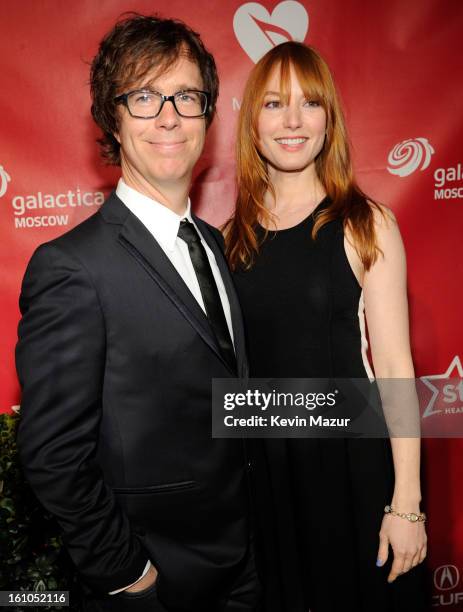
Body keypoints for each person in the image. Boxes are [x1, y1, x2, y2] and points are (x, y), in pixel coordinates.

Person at [16, 15, 261, 612]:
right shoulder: (71, 267)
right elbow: (52, 454)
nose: (169, 116)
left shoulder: (212, 242)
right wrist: (130, 575)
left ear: (208, 113)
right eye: (144, 97)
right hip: (156, 582)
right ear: (113, 120)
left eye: (186, 96)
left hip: (246, 565)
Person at [225, 42, 428, 612]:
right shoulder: (227, 241)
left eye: (309, 103)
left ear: (328, 119)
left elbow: (393, 370)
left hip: (354, 469)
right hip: (268, 479)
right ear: (252, 123)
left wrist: (406, 504)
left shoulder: (366, 224)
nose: (292, 121)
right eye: (273, 104)